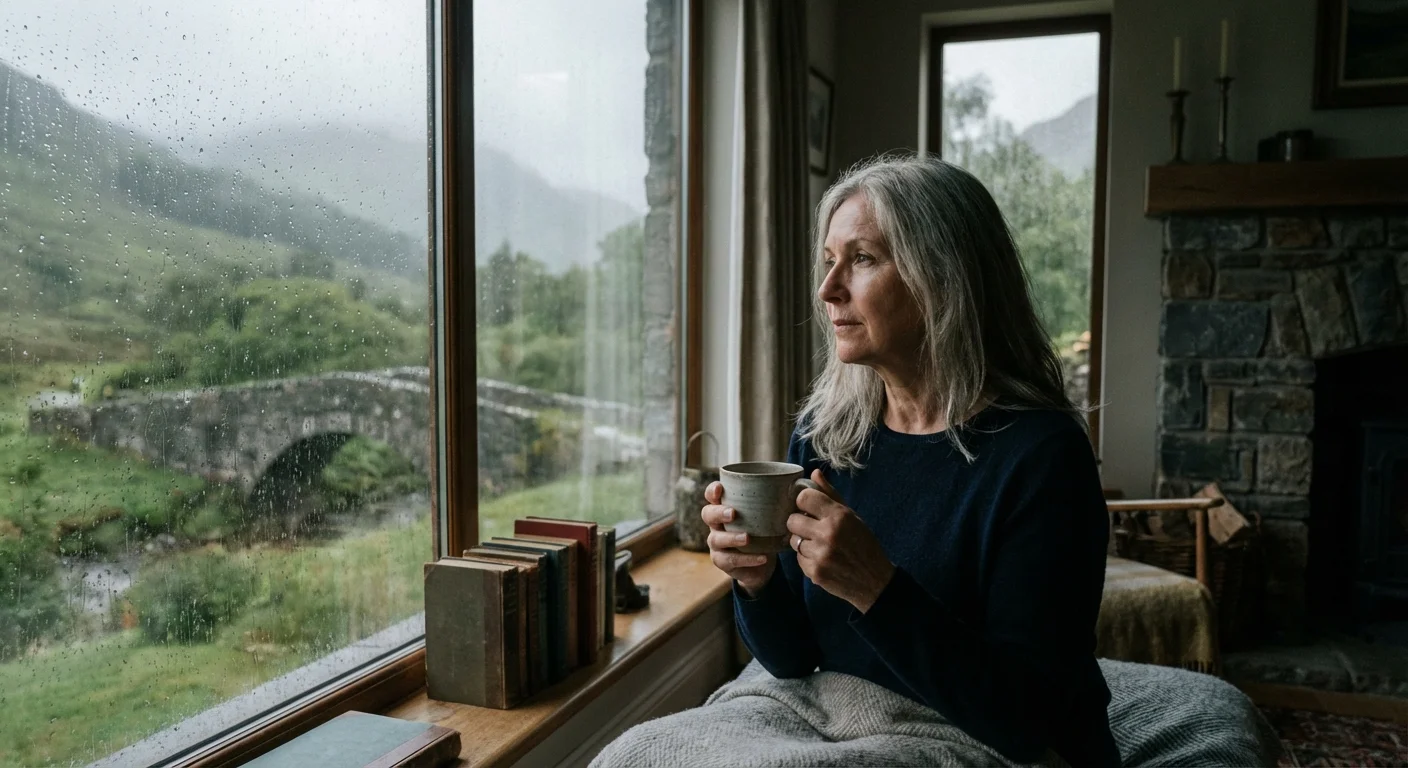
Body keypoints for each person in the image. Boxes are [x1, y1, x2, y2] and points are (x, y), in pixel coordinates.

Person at [702, 154, 1120, 767]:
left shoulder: (1041, 456)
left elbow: (1032, 717)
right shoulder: (825, 436)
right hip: (850, 726)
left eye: (862, 259)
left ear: (943, 279)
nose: (828, 290)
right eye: (828, 262)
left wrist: (877, 588)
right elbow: (791, 661)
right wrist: (756, 582)